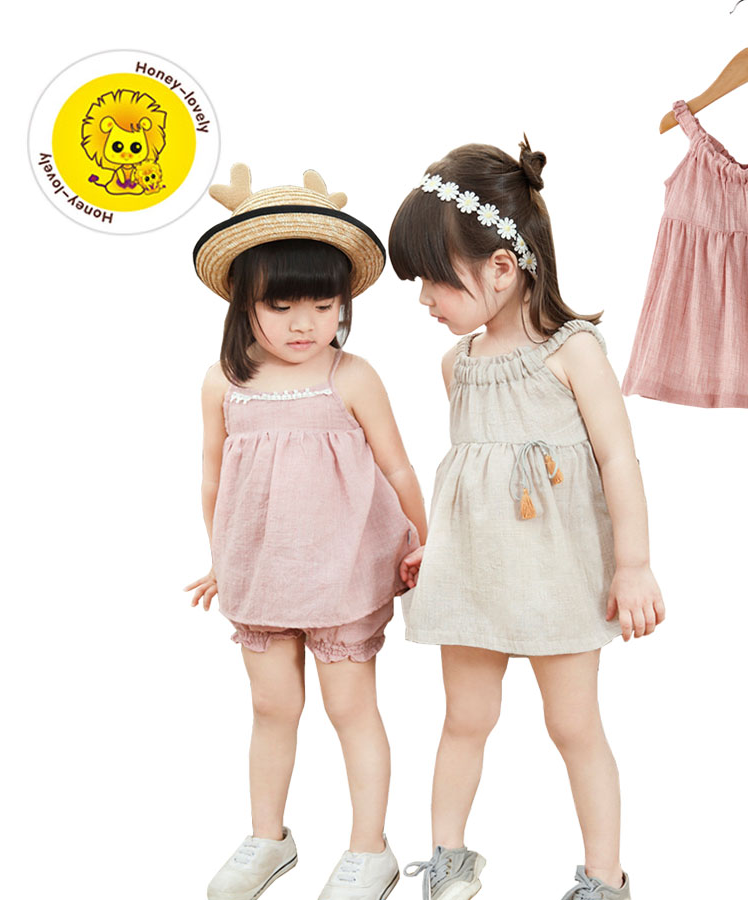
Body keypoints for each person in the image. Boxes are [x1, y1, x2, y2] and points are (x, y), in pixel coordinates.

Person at [388, 140, 665, 900]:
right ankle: (449, 858)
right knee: (464, 718)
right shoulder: (457, 366)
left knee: (573, 725)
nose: (425, 300)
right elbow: (471, 478)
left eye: (435, 280)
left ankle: (604, 877)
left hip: (561, 573)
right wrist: (439, 550)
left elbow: (618, 460)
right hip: (474, 574)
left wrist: (634, 564)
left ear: (502, 268)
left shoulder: (573, 353)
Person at [185, 163, 427, 900]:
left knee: (350, 708)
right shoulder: (223, 382)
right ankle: (269, 837)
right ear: (242, 301)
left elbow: (398, 466)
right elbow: (214, 479)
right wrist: (221, 559)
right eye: (281, 304)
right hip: (260, 573)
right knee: (271, 708)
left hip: (344, 574)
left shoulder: (351, 376)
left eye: (323, 305)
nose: (304, 324)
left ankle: (369, 849)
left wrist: (428, 543)